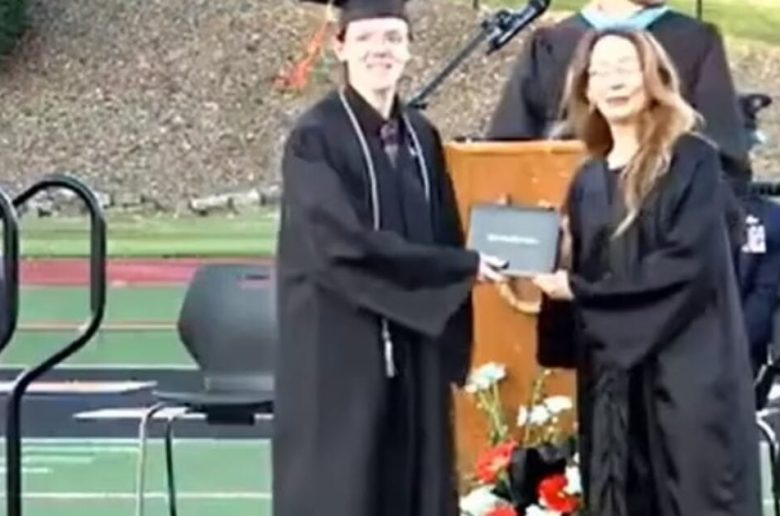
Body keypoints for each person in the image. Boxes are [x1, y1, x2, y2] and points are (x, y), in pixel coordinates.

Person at [272, 1, 507, 515]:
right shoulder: (315, 138)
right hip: (341, 346)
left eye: (393, 38)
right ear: (340, 47)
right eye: (366, 38)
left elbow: (445, 232)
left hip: (415, 342)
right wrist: (458, 268)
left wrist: (471, 264)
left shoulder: (421, 137)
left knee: (417, 483)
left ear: (409, 49)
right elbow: (341, 244)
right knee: (347, 487)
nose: (380, 50)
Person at [532, 29, 761, 516]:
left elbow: (688, 265)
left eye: (626, 67)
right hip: (615, 387)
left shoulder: (691, 160)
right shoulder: (588, 180)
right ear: (587, 89)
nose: (615, 81)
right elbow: (585, 287)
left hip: (685, 378)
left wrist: (581, 291)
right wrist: (560, 260)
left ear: (652, 77)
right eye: (601, 71)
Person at [488, 0, 750, 182]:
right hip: (563, 220)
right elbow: (506, 154)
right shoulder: (552, 43)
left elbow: (725, 155)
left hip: (665, 220)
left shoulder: (695, 40)